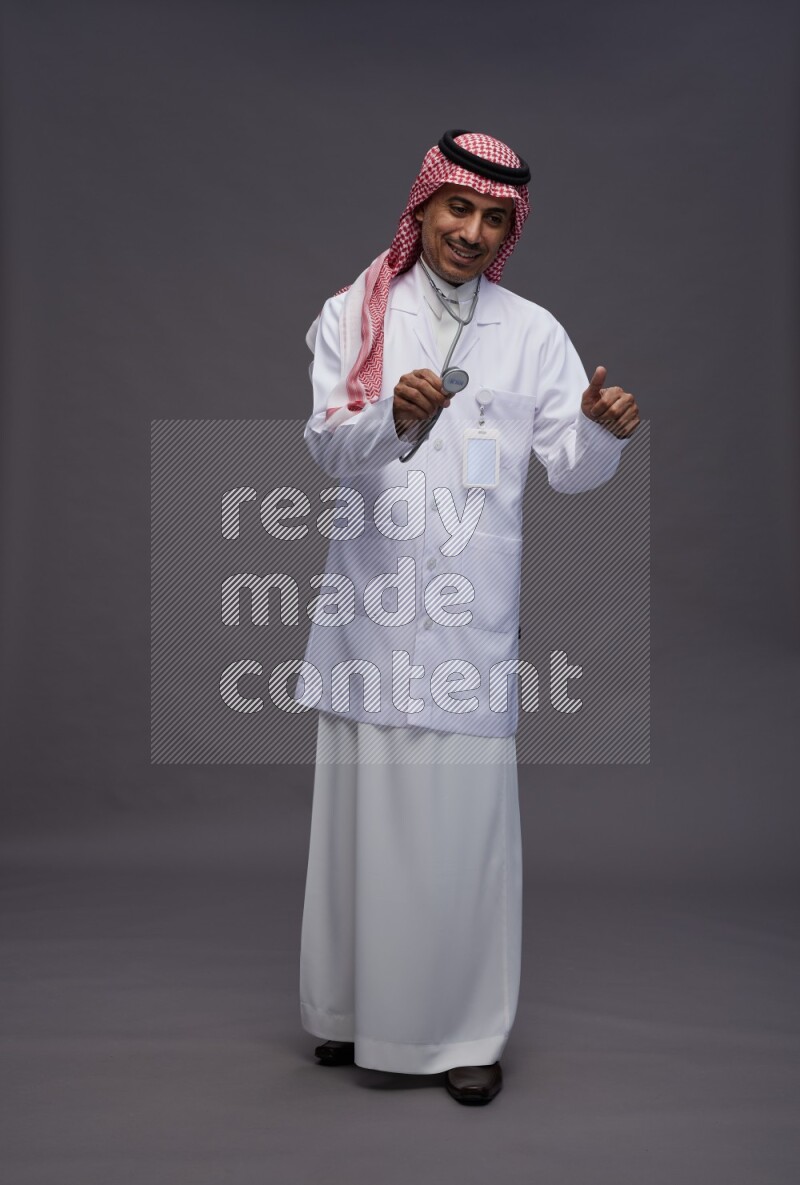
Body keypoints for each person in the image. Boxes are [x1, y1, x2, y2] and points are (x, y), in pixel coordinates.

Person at [297, 130, 639, 1105]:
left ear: (509, 229)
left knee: (460, 838)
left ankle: (461, 1033)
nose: (471, 231)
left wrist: (602, 429)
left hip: (465, 623)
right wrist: (390, 418)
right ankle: (347, 1014)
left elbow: (570, 463)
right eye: (458, 209)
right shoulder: (354, 314)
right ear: (422, 208)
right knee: (359, 828)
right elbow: (327, 448)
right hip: (369, 613)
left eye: (494, 218)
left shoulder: (530, 332)